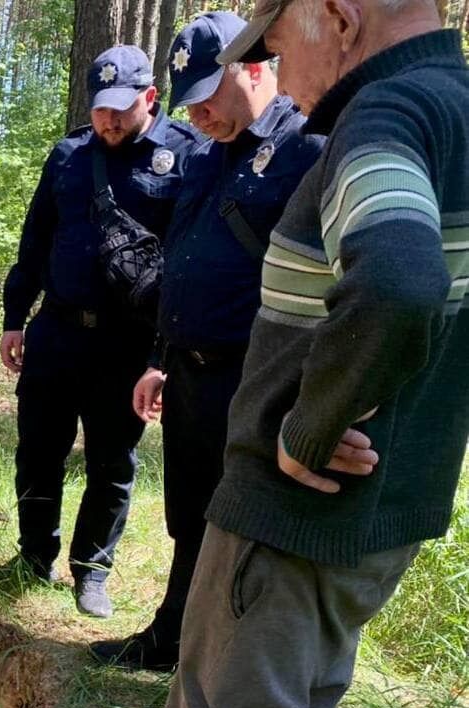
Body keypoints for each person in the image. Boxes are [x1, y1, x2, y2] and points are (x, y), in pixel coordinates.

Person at [154, 1, 469, 708]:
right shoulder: (456, 107)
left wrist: (306, 424)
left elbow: (401, 280)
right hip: (383, 519)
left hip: (290, 522)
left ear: (335, 16)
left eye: (275, 42)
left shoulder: (387, 117)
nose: (275, 71)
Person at [89, 12, 324, 670]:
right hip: (189, 375)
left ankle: (229, 666)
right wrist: (159, 359)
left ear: (252, 68)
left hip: (253, 379)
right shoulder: (203, 156)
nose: (195, 115)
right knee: (188, 517)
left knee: (241, 532)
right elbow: (182, 260)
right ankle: (172, 639)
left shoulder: (306, 146)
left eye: (205, 98)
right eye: (185, 101)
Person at [0, 46, 202, 618]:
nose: (109, 120)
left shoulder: (185, 157)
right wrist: (15, 319)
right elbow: (34, 243)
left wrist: (162, 356)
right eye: (100, 109)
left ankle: (91, 571)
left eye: (122, 107)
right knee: (38, 449)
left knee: (111, 463)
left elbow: (188, 264)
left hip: (128, 343)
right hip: (57, 331)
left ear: (151, 98)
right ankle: (33, 554)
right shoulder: (67, 156)